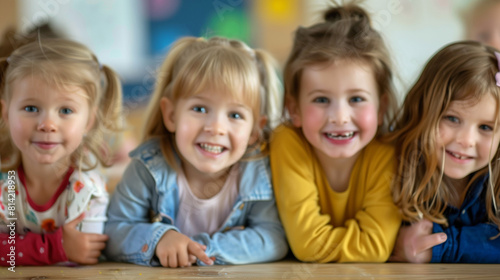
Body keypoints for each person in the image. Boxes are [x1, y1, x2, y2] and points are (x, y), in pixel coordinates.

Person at [104, 36, 287, 268]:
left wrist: (201, 249)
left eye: (235, 115)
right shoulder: (148, 166)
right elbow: (114, 230)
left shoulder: (255, 173)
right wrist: (160, 239)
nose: (216, 128)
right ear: (171, 115)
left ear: (254, 131)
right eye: (199, 109)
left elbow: (272, 237)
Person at [270, 3, 401, 263]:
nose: (340, 117)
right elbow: (308, 246)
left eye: (356, 99)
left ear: (381, 107)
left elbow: (374, 247)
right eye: (321, 100)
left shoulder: (388, 152)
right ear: (293, 108)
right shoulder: (287, 142)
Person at [0, 38, 123, 265]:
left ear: (88, 121)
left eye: (65, 110)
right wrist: (57, 247)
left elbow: (84, 257)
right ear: (5, 113)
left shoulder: (87, 191)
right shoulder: (5, 186)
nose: (47, 124)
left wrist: (20, 248)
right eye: (31, 108)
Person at [386, 41, 500, 263]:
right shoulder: (395, 168)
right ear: (421, 111)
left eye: (486, 127)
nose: (466, 140)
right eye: (452, 118)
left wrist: (440, 248)